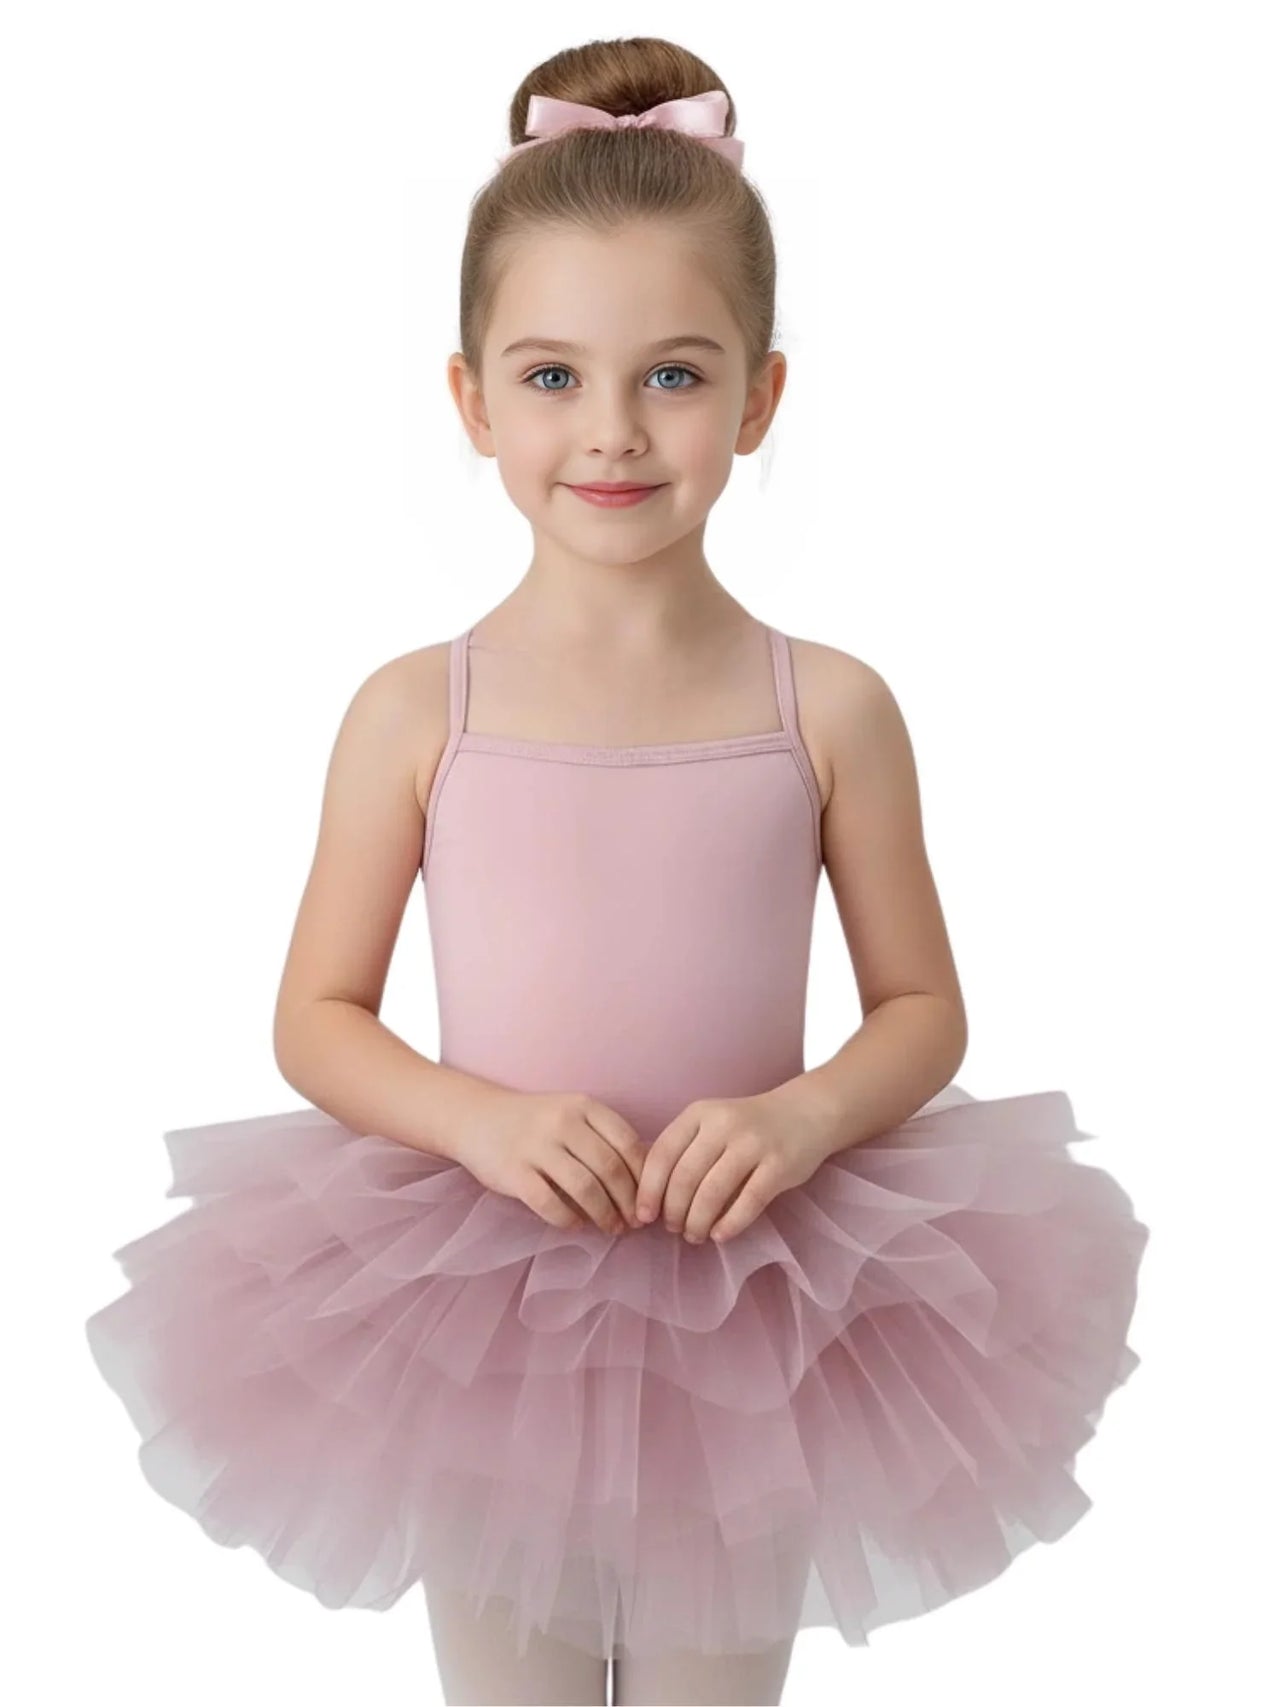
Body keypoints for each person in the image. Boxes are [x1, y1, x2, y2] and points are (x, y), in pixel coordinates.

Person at [83, 35, 1150, 1707]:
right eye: (554, 376)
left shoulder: (833, 709)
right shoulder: (414, 711)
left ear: (759, 394)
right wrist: (482, 1123)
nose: (615, 432)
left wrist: (799, 1119)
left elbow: (924, 1008)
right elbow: (318, 1015)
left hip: (757, 1301)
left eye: (673, 374)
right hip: (477, 1300)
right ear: (472, 399)